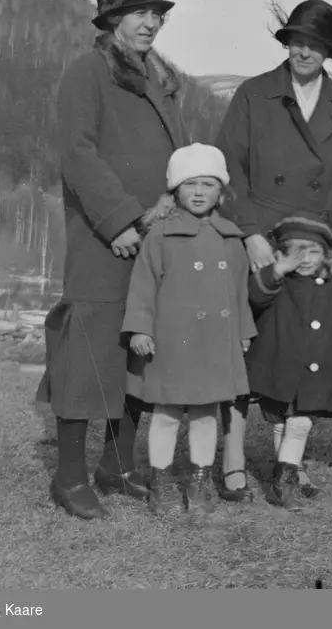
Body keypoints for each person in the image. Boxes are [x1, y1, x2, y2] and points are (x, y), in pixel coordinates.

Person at [36, 0, 184, 520]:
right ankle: (70, 477)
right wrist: (120, 220)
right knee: (87, 356)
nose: (152, 23)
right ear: (114, 20)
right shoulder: (88, 72)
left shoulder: (158, 79)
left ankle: (116, 465)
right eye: (141, 13)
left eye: (158, 14)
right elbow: (77, 155)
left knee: (141, 350)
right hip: (107, 240)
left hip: (158, 237)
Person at [213, 0, 332, 501]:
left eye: (315, 45)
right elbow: (229, 167)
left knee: (312, 356)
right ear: (286, 44)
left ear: (329, 52)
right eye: (297, 41)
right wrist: (252, 233)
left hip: (320, 248)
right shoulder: (255, 95)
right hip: (268, 244)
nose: (305, 51)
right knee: (275, 359)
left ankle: (289, 462)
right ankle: (284, 463)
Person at [121, 144, 258, 516]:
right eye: (191, 184)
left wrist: (243, 330)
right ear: (176, 190)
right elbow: (143, 286)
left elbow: (239, 291)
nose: (199, 192)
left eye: (208, 184)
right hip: (171, 340)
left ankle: (199, 480)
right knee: (165, 413)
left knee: (204, 413)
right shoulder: (161, 235)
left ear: (221, 191)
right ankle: (162, 482)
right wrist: (139, 328)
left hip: (215, 341)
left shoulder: (231, 238)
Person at [243, 212, 332, 510]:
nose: (306, 259)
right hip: (280, 365)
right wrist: (277, 270)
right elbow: (254, 296)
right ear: (282, 254)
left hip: (317, 372)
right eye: (297, 252)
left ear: (326, 255)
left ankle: (283, 483)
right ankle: (289, 477)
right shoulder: (278, 281)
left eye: (313, 252)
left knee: (299, 423)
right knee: (283, 423)